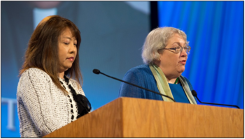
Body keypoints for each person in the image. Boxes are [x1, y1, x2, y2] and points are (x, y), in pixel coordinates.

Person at [16, 15, 91, 137]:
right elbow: (48, 126)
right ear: (47, 45)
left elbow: (91, 126)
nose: (73, 49)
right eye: (66, 42)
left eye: (75, 44)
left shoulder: (74, 86)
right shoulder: (33, 76)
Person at [119, 27, 197, 104]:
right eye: (176, 48)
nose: (184, 54)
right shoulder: (138, 77)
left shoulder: (187, 85)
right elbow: (129, 115)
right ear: (156, 52)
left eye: (185, 48)